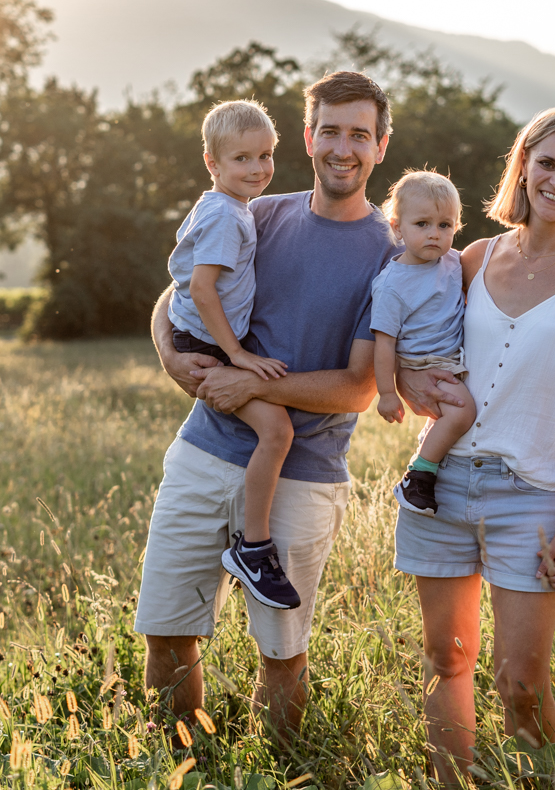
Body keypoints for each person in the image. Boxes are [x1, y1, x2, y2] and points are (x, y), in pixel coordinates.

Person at [136, 71, 396, 741]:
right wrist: (171, 355)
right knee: (168, 638)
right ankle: (183, 771)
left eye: (359, 135)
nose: (343, 148)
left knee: (281, 657)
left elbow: (359, 387)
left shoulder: (389, 258)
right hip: (205, 452)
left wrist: (252, 385)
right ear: (308, 138)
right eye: (330, 131)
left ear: (381, 146)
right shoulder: (254, 211)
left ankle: (278, 776)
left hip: (303, 474)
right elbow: (180, 296)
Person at [392, 106, 555, 782]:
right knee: (447, 661)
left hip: (531, 496)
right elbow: (416, 341)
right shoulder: (471, 257)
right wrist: (408, 382)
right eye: (548, 163)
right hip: (440, 485)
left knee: (520, 683)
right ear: (523, 165)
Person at [166, 100, 300, 609]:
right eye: (242, 158)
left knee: (275, 429)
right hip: (208, 343)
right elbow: (202, 290)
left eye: (265, 155)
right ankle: (253, 545)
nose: (258, 168)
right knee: (278, 430)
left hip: (202, 337)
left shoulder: (226, 206)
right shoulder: (226, 215)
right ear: (212, 163)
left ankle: (252, 541)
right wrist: (237, 356)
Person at [369, 170, 476, 515]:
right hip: (423, 363)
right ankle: (419, 474)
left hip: (450, 356)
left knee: (449, 413)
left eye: (445, 225)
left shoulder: (455, 262)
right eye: (422, 224)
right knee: (463, 412)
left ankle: (430, 464)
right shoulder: (392, 285)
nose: (434, 234)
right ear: (397, 227)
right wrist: (387, 393)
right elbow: (383, 344)